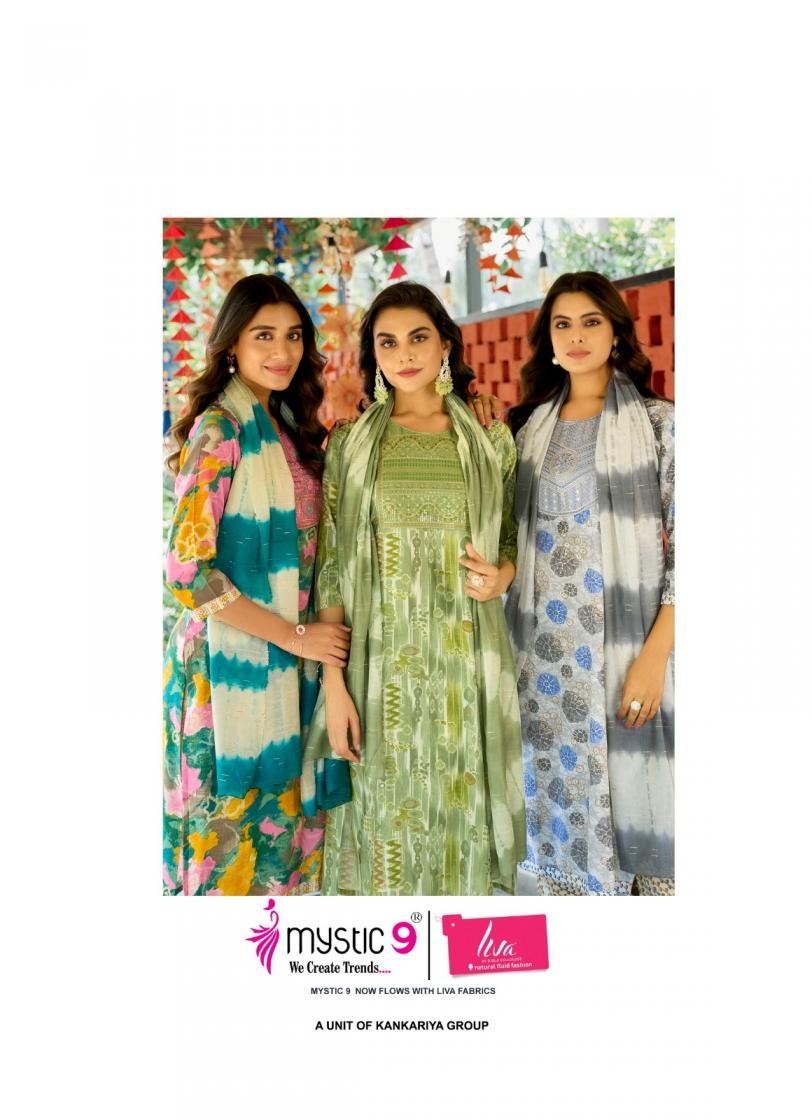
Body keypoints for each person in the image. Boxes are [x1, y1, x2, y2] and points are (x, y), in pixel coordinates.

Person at [304, 281, 525, 895]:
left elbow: (511, 537)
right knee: (383, 836)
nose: (404, 354)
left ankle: (458, 951)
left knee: (460, 828)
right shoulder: (350, 444)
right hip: (378, 675)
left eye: (418, 338)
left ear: (446, 345)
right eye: (388, 342)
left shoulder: (488, 438)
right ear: (373, 354)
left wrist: (502, 576)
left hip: (463, 668)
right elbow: (331, 569)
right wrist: (335, 688)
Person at [163, 274, 351, 895]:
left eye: (293, 336)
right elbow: (188, 574)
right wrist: (294, 636)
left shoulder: (291, 427)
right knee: (225, 862)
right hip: (227, 673)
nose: (282, 351)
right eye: (263, 335)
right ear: (231, 347)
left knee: (284, 861)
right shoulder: (220, 431)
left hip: (293, 670)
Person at [505, 271, 675, 896]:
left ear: (616, 332)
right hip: (544, 666)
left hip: (628, 655)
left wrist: (654, 659)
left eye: (591, 322)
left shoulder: (659, 425)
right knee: (556, 826)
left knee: (646, 833)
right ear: (548, 340)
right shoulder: (526, 430)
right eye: (562, 324)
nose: (576, 336)